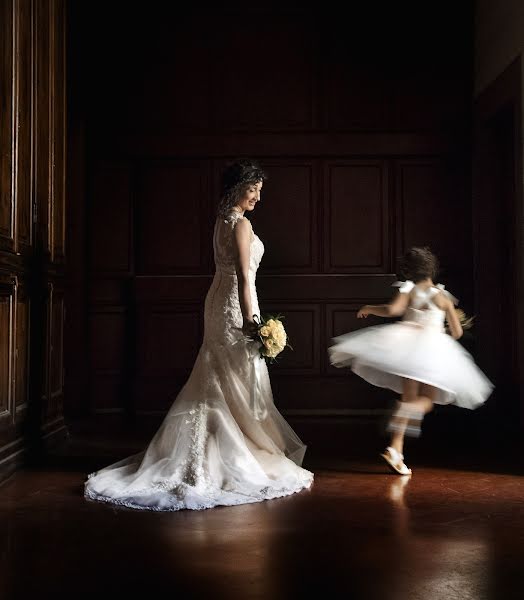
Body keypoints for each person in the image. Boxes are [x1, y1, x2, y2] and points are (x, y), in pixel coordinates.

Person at [85, 159, 313, 510]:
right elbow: (242, 277)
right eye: (252, 190)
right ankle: (227, 453)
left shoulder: (222, 220)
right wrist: (254, 322)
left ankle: (214, 445)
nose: (256, 198)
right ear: (237, 188)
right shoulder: (241, 224)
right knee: (236, 376)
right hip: (235, 304)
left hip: (217, 301)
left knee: (221, 375)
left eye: (259, 191)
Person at [328, 247, 493, 476]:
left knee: (408, 398)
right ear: (432, 270)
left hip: (406, 346)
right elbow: (456, 332)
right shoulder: (443, 297)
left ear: (408, 271)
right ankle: (399, 437)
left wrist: (369, 308)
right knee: (426, 401)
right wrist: (443, 329)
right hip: (433, 350)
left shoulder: (409, 289)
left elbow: (393, 309)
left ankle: (396, 449)